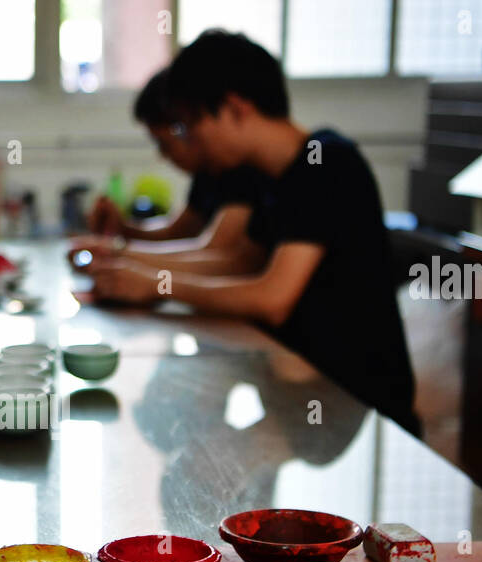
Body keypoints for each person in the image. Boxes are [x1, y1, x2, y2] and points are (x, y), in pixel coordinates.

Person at [90, 31, 420, 435]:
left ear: (234, 108)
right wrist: (128, 264)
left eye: (192, 124)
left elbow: (273, 298)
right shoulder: (275, 177)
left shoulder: (328, 163)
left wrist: (157, 285)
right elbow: (236, 260)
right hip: (294, 389)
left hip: (356, 406)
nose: (189, 140)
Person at [75, 67, 265, 277]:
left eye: (165, 144)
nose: (164, 156)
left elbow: (218, 256)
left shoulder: (244, 168)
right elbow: (178, 231)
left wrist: (119, 255)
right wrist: (123, 230)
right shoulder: (209, 172)